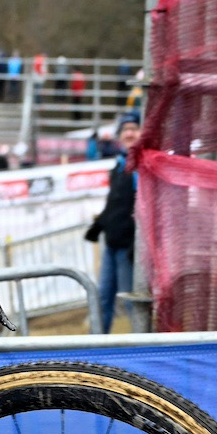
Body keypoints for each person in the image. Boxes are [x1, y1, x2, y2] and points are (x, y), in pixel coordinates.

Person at [85, 112, 142, 334]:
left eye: (133, 128)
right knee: (103, 298)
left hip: (130, 247)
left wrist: (138, 243)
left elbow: (143, 207)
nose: (129, 133)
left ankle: (143, 344)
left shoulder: (142, 165)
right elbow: (115, 202)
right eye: (125, 129)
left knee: (131, 301)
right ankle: (94, 348)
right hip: (112, 243)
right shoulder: (118, 165)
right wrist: (99, 225)